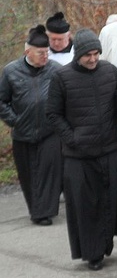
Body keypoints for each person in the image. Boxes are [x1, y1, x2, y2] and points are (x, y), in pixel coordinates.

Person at [46, 29, 117, 271]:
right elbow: (53, 113)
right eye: (88, 55)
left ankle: (105, 245)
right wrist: (71, 138)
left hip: (110, 150)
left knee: (114, 201)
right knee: (86, 206)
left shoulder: (110, 71)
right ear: (78, 54)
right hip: (79, 156)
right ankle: (92, 253)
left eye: (96, 54)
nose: (93, 59)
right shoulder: (61, 78)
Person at [0, 25, 63, 226]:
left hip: (49, 131)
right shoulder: (11, 71)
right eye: (40, 53)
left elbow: (66, 97)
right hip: (23, 133)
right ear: (28, 51)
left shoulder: (55, 70)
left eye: (47, 52)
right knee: (28, 175)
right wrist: (14, 120)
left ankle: (45, 211)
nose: (45, 56)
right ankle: (36, 210)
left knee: (49, 171)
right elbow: (1, 101)